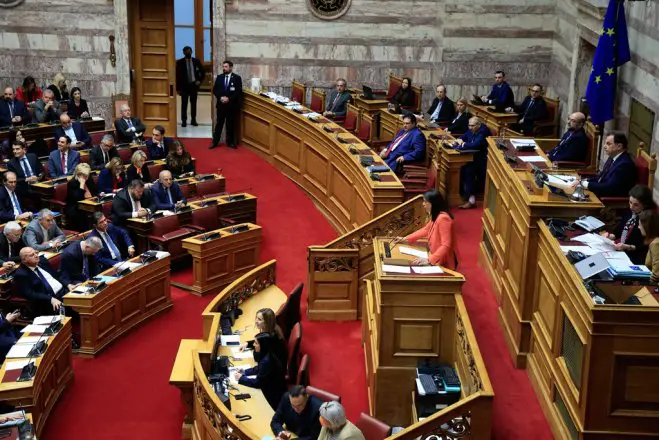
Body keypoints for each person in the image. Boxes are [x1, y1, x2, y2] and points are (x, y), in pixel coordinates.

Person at [391, 190, 456, 268]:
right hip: (434, 256)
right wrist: (406, 239)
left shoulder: (443, 219)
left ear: (433, 204)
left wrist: (430, 260)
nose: (423, 204)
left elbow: (446, 245)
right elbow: (426, 230)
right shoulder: (437, 215)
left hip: (442, 262)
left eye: (425, 202)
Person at [602, 185, 656, 265]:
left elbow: (647, 246)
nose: (631, 207)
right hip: (620, 249)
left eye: (636, 204)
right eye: (630, 202)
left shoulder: (648, 218)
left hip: (635, 256)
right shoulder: (630, 212)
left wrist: (628, 247)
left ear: (645, 204)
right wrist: (612, 236)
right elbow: (620, 230)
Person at [572, 132, 637, 198]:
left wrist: (584, 184)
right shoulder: (612, 157)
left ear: (619, 146)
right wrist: (583, 181)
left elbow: (610, 187)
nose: (604, 146)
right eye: (605, 143)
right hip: (601, 192)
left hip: (610, 198)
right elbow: (601, 178)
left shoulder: (624, 165)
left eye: (608, 144)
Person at [234, 332, 287, 410]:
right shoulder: (267, 354)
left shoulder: (267, 361)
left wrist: (241, 378)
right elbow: (259, 368)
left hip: (273, 397)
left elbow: (258, 383)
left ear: (263, 345)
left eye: (256, 343)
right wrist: (245, 372)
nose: (254, 345)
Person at [14, 247, 65, 315]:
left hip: (64, 291)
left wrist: (68, 284)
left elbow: (56, 276)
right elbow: (30, 294)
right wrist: (50, 298)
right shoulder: (21, 274)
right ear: (24, 260)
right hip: (48, 301)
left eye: (36, 253)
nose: (36, 256)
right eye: (32, 255)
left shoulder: (43, 261)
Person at [454, 117, 491, 209]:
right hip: (472, 157)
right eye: (469, 125)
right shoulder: (472, 128)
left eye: (472, 126)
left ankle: (471, 200)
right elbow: (464, 136)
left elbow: (476, 144)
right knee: (461, 168)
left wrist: (463, 144)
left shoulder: (483, 131)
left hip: (483, 160)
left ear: (479, 125)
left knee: (468, 170)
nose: (470, 127)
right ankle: (465, 194)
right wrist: (459, 139)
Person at [211, 60, 242, 149]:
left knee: (230, 124)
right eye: (223, 67)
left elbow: (238, 92)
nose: (224, 68)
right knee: (219, 124)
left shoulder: (237, 78)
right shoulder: (219, 77)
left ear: (231, 67)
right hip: (221, 105)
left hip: (231, 105)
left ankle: (230, 142)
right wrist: (221, 97)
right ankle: (215, 141)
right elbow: (215, 90)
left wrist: (229, 99)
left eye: (226, 67)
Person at [176, 46, 205, 127]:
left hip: (193, 85)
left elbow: (202, 72)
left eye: (189, 51)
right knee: (184, 104)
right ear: (183, 53)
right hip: (184, 86)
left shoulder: (196, 61)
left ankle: (193, 119)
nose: (187, 53)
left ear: (191, 52)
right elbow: (177, 76)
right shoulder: (180, 62)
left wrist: (199, 81)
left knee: (193, 104)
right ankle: (184, 121)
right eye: (186, 52)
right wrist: (178, 89)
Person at [65, 163, 97, 231]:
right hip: (76, 209)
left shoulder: (89, 180)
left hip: (91, 206)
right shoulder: (72, 183)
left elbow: (95, 191)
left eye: (87, 175)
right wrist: (82, 185)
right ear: (78, 174)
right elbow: (78, 200)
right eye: (84, 175)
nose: (86, 177)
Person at [639, 210, 659, 283]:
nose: (638, 227)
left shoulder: (656, 243)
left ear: (647, 226)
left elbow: (656, 275)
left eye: (640, 225)